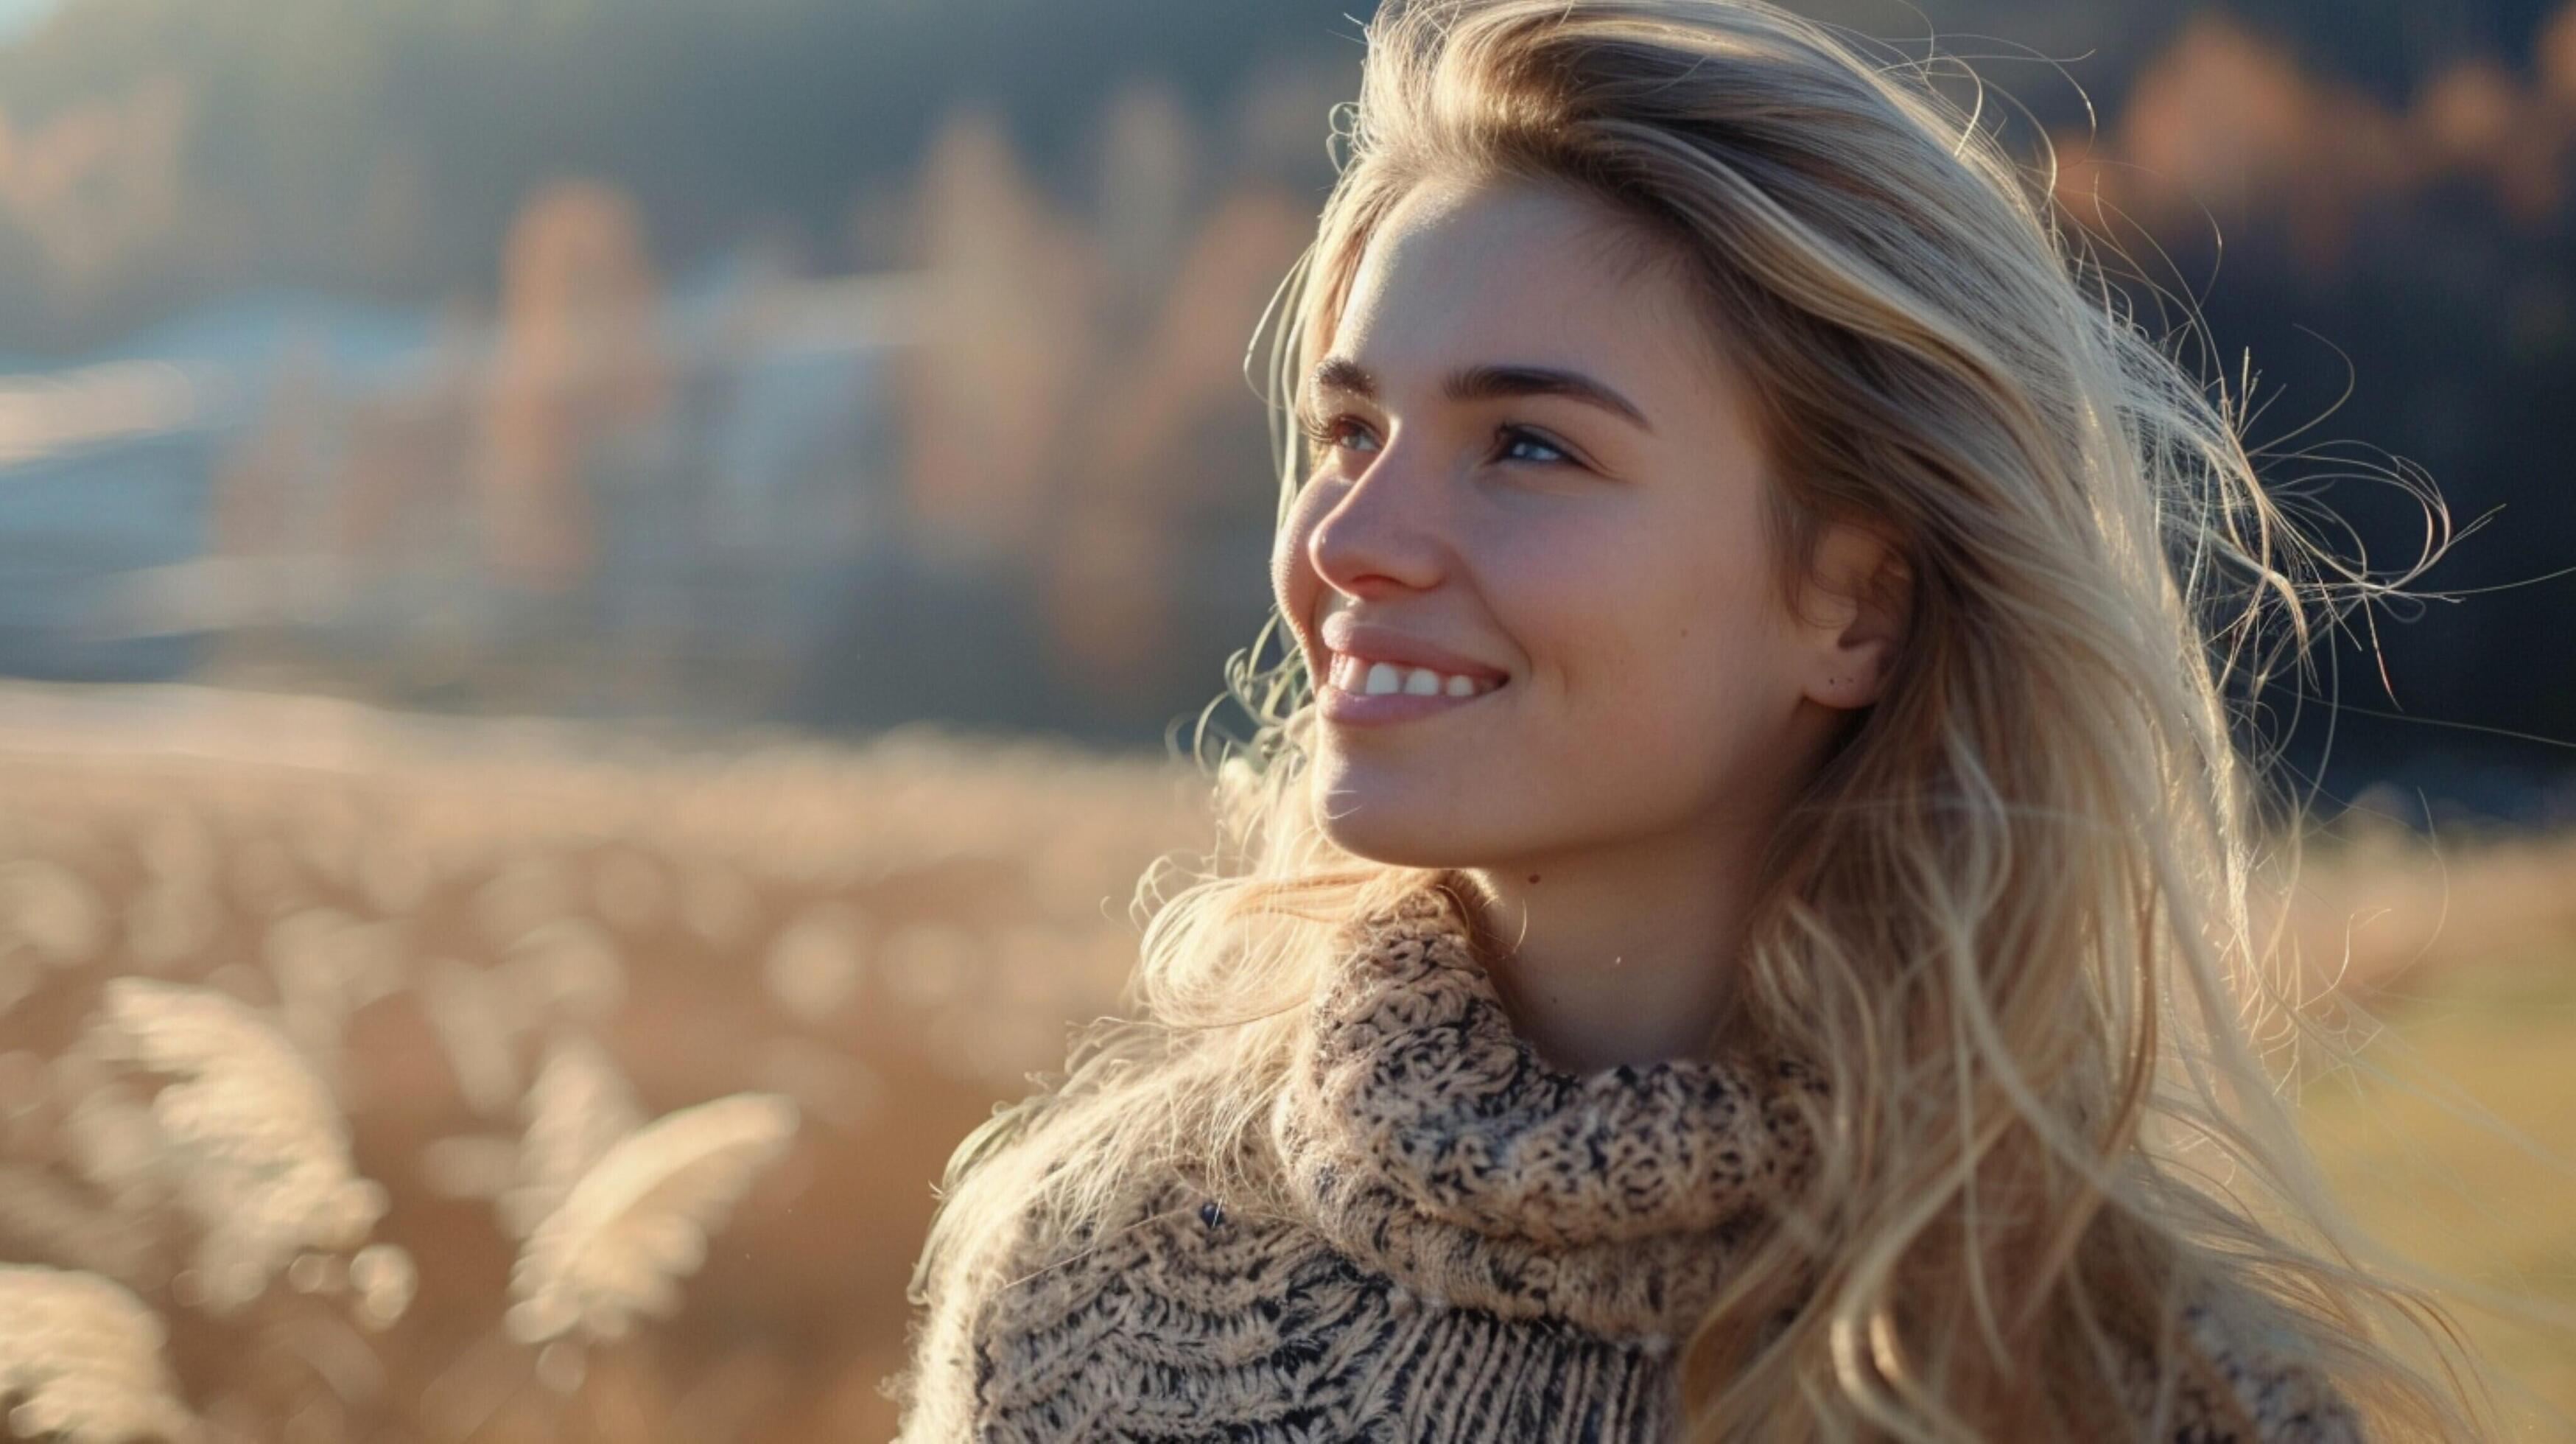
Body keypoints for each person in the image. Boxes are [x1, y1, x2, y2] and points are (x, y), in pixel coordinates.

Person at [885, 0, 2493, 1437]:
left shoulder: (2132, 1397)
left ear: (1853, 601)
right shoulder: (1092, 1299)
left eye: (1527, 445)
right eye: (1349, 427)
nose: (1350, 537)